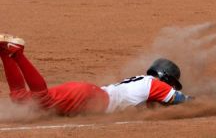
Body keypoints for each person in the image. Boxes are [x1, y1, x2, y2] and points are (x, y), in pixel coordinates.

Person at [0, 34, 191, 116]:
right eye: (172, 84)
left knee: (22, 99)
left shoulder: (144, 83)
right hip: (89, 98)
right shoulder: (155, 85)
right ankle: (18, 54)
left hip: (88, 95)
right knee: (43, 99)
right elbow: (183, 100)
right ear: (166, 79)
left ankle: (4, 53)